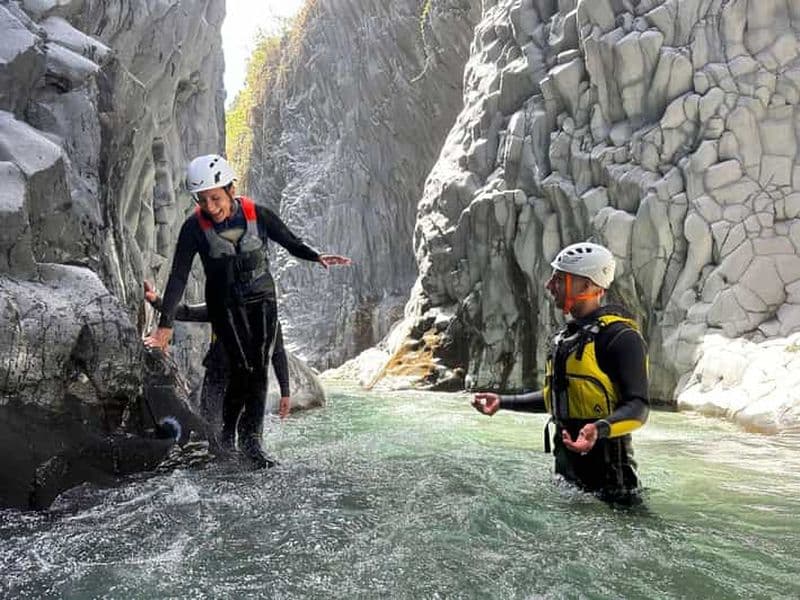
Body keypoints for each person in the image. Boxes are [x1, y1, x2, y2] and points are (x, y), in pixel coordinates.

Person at [144, 154, 350, 468]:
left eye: (216, 198)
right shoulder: (193, 228)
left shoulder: (259, 215)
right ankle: (226, 439)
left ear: (230, 189)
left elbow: (290, 241)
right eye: (203, 201)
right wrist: (164, 324)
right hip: (224, 305)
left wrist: (315, 256)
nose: (211, 207)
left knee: (257, 370)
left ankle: (252, 442)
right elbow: (178, 276)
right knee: (240, 368)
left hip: (263, 302)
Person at [471, 242, 649, 504]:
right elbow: (557, 398)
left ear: (588, 286)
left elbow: (638, 408)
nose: (549, 285)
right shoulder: (568, 337)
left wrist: (598, 430)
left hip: (613, 488)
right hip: (567, 480)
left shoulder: (621, 337)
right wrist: (503, 402)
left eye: (560, 278)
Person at [144, 281, 292, 428]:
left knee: (244, 430)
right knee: (212, 428)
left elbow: (278, 353)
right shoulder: (223, 307)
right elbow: (186, 312)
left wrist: (285, 392)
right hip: (217, 377)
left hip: (247, 382)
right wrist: (156, 301)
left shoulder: (269, 318)